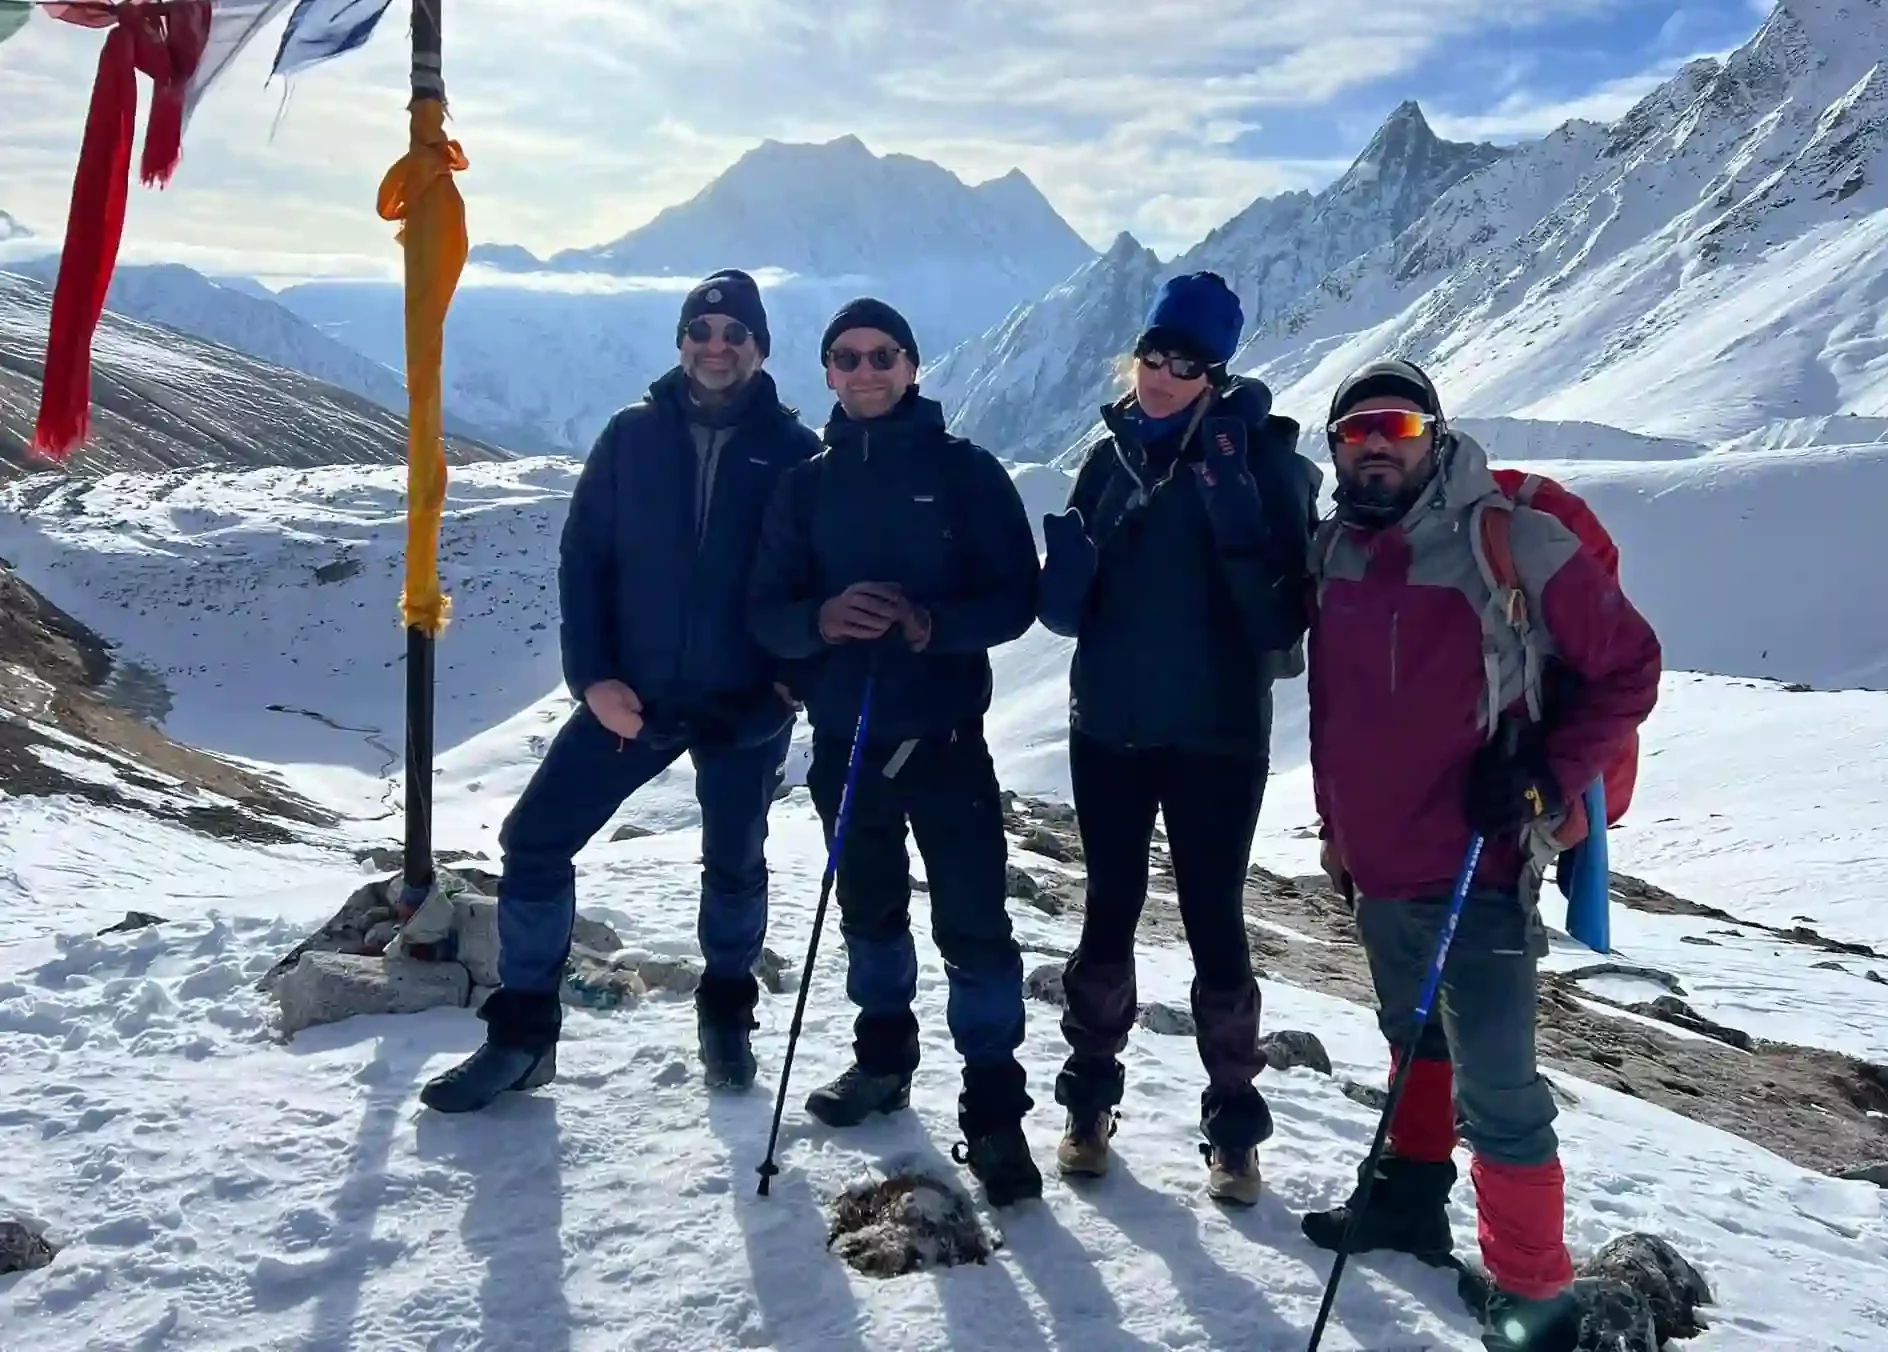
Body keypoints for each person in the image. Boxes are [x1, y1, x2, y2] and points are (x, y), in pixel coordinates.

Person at [1297, 359, 1661, 1352]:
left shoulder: (1510, 540)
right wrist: (1335, 830)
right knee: (1413, 1036)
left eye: (1397, 426)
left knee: (1498, 1089)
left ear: (1434, 434)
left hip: (1482, 861)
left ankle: (1533, 1295)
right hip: (1375, 862)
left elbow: (1628, 664)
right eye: (1354, 430)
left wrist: (1547, 777)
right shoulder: (1332, 550)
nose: (1375, 443)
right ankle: (1408, 1200)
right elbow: (1334, 711)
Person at [421, 269, 820, 1113]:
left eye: (733, 334)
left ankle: (726, 1017)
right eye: (700, 332)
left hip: (745, 701)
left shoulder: (794, 450)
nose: (716, 347)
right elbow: (585, 559)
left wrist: (787, 687)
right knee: (534, 842)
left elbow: (818, 582)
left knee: (736, 863)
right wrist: (592, 677)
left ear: (759, 348)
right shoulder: (631, 436)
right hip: (629, 696)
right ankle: (522, 1040)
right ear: (681, 342)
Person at [747, 298, 1043, 1206]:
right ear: (827, 373)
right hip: (846, 740)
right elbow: (765, 609)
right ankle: (885, 1061)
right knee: (869, 915)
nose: (866, 371)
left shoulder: (966, 473)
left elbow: (1017, 596)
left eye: (883, 355)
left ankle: (995, 1112)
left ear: (913, 365)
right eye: (847, 357)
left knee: (976, 931)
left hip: (948, 741)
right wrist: (821, 622)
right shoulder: (805, 484)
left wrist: (929, 626)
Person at [1035, 271, 1320, 1205]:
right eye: (1152, 354)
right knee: (1107, 914)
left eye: (1184, 360)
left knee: (1214, 922)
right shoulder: (1107, 456)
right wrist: (1064, 582)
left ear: (1217, 369)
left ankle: (1235, 1128)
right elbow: (1070, 621)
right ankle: (1087, 1105)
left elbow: (1285, 624)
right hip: (1111, 724)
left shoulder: (1263, 459)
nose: (1160, 374)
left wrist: (1239, 524)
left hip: (1218, 733)